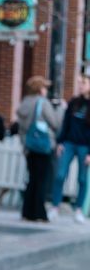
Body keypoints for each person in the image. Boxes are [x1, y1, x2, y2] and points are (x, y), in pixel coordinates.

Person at [17, 75, 60, 222]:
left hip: (29, 146)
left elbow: (21, 129)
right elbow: (54, 123)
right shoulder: (43, 103)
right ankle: (39, 213)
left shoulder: (24, 103)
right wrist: (61, 110)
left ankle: (27, 211)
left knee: (32, 179)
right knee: (42, 180)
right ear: (40, 89)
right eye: (45, 87)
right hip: (43, 146)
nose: (46, 90)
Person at [52, 72, 90, 223]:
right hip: (69, 143)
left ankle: (79, 210)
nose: (81, 86)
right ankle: (55, 206)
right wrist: (60, 142)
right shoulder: (74, 103)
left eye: (84, 83)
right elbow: (65, 124)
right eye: (80, 83)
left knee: (82, 179)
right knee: (60, 174)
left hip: (85, 147)